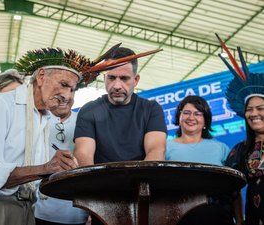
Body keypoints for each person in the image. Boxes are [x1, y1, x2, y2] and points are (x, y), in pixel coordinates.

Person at [0, 47, 97, 225]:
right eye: (63, 85)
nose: (67, 95)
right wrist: (45, 168)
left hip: (26, 208)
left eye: (72, 90)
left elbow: (33, 175)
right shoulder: (0, 104)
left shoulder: (44, 118)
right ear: (41, 76)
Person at [73, 47, 167, 225]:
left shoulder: (151, 109)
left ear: (136, 79)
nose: (117, 85)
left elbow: (156, 151)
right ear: (104, 78)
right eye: (111, 78)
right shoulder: (89, 110)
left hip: (142, 197)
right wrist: (94, 201)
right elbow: (83, 155)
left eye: (124, 78)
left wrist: (137, 192)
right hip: (101, 198)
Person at [165, 95, 236, 225]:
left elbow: (234, 189)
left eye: (198, 114)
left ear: (205, 120)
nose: (191, 118)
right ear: (179, 117)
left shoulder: (221, 148)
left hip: (218, 216)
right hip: (178, 216)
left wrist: (240, 220)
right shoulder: (164, 148)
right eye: (186, 113)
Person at [216, 34, 264, 225]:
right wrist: (239, 220)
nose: (254, 114)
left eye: (260, 108)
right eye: (249, 109)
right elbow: (230, 189)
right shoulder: (240, 150)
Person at [34, 100, 88, 224]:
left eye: (71, 90)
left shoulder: (84, 120)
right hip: (39, 207)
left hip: (75, 211)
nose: (65, 97)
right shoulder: (38, 118)